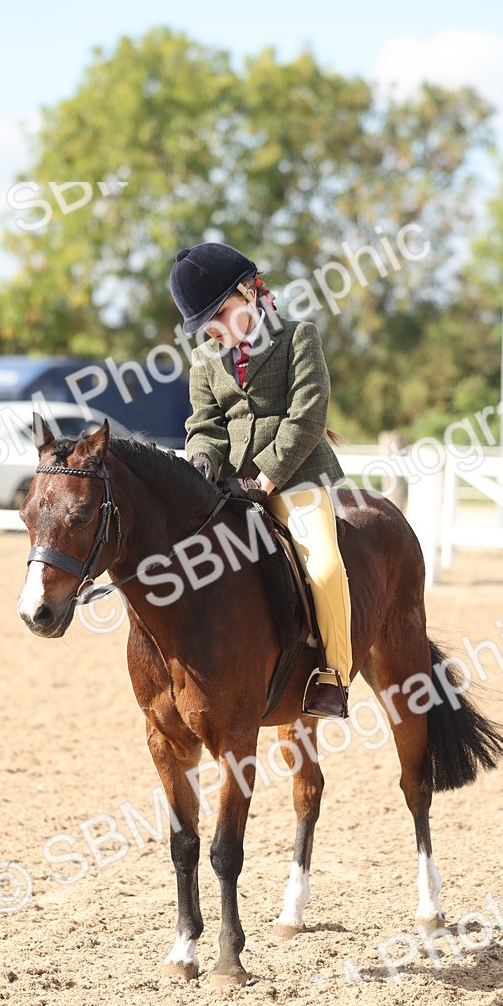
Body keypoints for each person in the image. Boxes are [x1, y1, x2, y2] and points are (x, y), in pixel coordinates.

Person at [168, 241, 352, 719]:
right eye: (205, 324)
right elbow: (204, 424)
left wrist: (266, 480)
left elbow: (307, 416)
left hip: (295, 480)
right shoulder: (205, 360)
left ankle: (333, 675)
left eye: (220, 313)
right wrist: (202, 461)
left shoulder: (299, 337)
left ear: (249, 292)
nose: (214, 329)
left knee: (324, 567)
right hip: (229, 485)